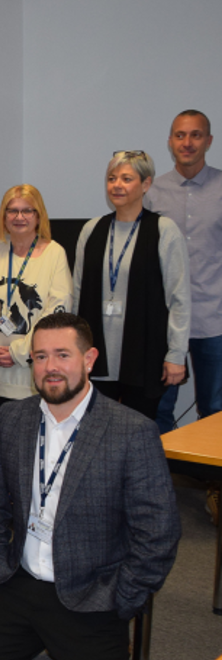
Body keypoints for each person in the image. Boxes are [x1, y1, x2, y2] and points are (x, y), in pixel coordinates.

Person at [0, 312, 181, 660]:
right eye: (40, 357)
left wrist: (120, 599)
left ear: (89, 359)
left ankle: (80, 638)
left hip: (89, 589)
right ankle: (43, 634)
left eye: (63, 354)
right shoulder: (13, 418)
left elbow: (158, 533)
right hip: (21, 581)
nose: (51, 367)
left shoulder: (132, 431)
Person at [73, 150, 191, 420]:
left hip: (145, 357)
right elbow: (77, 292)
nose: (117, 185)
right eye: (112, 178)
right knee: (97, 431)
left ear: (146, 184)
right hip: (97, 358)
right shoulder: (92, 230)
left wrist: (176, 354)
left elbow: (179, 298)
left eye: (126, 178)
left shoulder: (163, 229)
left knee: (144, 433)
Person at [0, 184, 72, 427]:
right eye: (12, 211)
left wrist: (21, 352)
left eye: (27, 211)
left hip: (31, 376)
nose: (19, 217)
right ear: (3, 217)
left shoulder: (54, 254)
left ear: (38, 216)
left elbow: (58, 310)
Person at [145, 110, 222, 429]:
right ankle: (161, 477)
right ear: (170, 141)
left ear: (209, 141)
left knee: (216, 408)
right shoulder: (151, 192)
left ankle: (214, 480)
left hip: (214, 318)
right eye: (180, 135)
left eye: (195, 135)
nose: (187, 142)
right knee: (159, 408)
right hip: (164, 319)